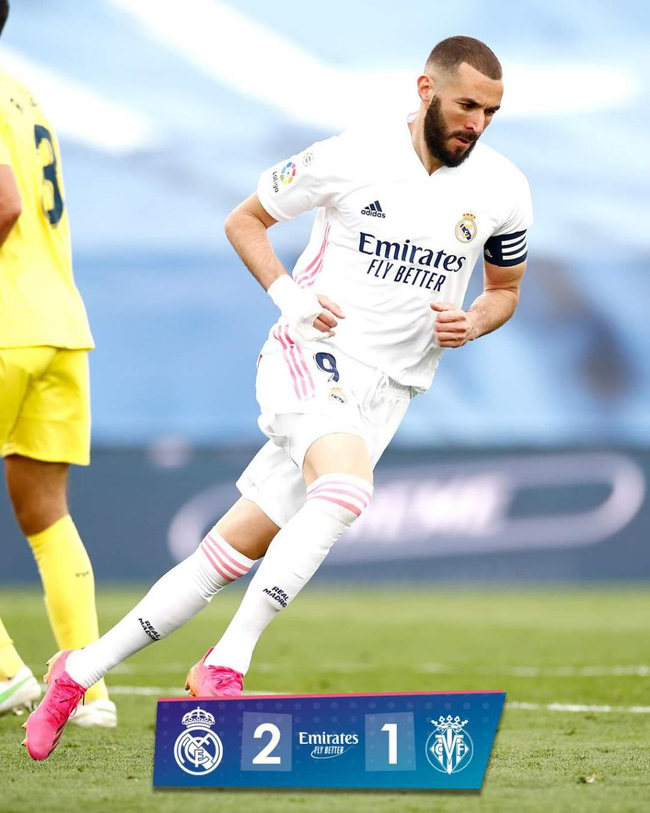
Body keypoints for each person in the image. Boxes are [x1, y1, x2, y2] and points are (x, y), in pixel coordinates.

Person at [24, 34, 531, 760]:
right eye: (466, 106)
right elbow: (245, 220)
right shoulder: (352, 154)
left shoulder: (504, 188)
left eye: (490, 112)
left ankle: (78, 671)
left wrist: (474, 319)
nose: (476, 124)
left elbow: (504, 290)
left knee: (226, 553)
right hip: (312, 354)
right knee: (346, 490)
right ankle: (225, 664)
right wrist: (291, 296)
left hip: (388, 391)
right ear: (426, 90)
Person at [0, 1, 115, 726]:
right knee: (45, 512)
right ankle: (90, 693)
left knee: (44, 511)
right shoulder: (23, 92)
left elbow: (4, 203)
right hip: (59, 324)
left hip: (6, 321)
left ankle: (7, 676)